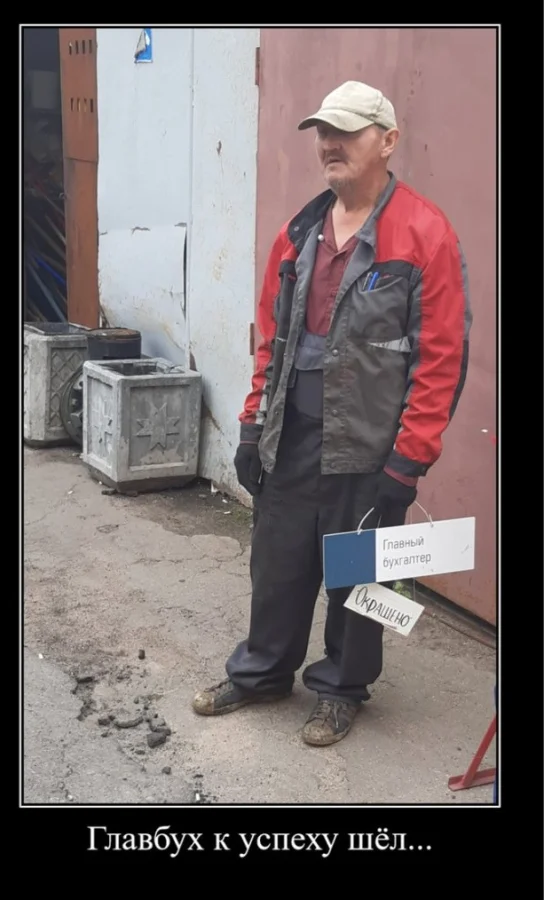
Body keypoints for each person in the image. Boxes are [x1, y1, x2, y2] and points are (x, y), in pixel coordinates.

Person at [192, 80, 472, 746]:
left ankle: (342, 688)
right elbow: (271, 339)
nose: (329, 144)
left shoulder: (424, 234)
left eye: (345, 131)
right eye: (323, 132)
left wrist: (409, 458)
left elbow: (440, 358)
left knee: (358, 575)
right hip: (292, 434)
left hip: (369, 446)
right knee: (278, 564)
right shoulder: (300, 233)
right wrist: (253, 426)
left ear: (388, 140)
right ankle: (263, 672)